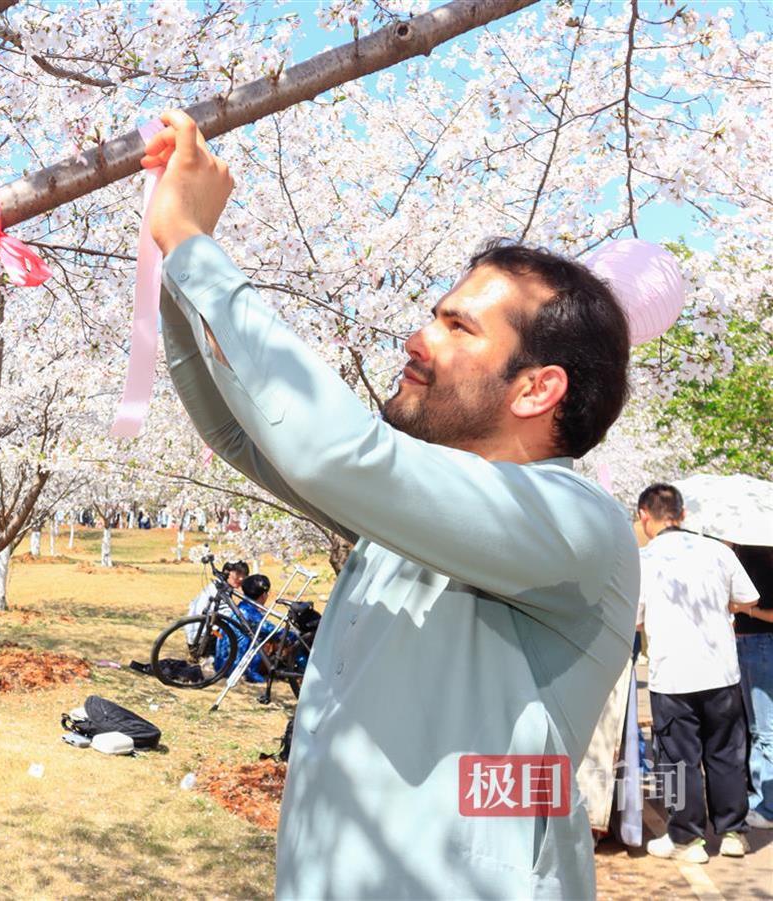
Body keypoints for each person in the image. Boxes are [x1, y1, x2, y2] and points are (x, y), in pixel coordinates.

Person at [144, 110, 638, 898]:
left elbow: (335, 452)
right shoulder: (409, 519)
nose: (418, 337)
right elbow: (246, 435)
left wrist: (198, 248)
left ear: (538, 388)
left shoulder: (579, 527)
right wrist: (178, 263)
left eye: (456, 326)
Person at [634, 483, 759, 862]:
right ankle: (734, 833)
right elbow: (749, 598)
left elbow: (634, 618)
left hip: (673, 676)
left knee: (677, 758)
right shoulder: (717, 551)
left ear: (644, 517)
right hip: (721, 672)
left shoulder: (645, 560)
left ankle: (686, 839)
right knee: (726, 753)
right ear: (683, 514)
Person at [733, 544, 773, 829]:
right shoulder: (746, 557)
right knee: (756, 727)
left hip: (760, 645)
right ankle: (761, 798)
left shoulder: (756, 559)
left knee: (765, 728)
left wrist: (746, 609)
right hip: (750, 644)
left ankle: (768, 806)